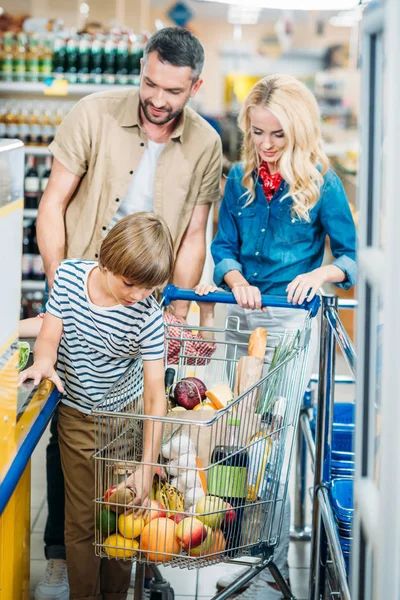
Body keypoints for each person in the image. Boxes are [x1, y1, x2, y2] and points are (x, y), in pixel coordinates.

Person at [34, 26, 222, 599]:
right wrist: (64, 290)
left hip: (147, 301)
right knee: (72, 452)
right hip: (90, 280)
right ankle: (67, 557)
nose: (157, 98)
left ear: (195, 86)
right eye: (149, 82)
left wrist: (176, 310)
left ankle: (117, 569)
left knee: (127, 464)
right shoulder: (92, 115)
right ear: (142, 68)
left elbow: (193, 236)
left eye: (173, 90)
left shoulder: (207, 144)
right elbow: (53, 203)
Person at [211, 74, 357, 599]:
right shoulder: (238, 180)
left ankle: (263, 544)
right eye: (258, 133)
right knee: (234, 434)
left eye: (278, 136)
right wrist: (234, 279)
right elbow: (222, 246)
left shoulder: (323, 183)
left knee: (271, 439)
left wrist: (320, 275)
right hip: (240, 320)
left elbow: (352, 259)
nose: (267, 147)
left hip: (292, 328)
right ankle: (237, 545)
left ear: (298, 132)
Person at [19, 213, 174, 600]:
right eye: (130, 283)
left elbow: (156, 397)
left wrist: (147, 465)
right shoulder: (70, 278)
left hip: (125, 420)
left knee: (122, 521)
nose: (138, 295)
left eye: (149, 288)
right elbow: (50, 333)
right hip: (76, 416)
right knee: (82, 521)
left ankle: (115, 595)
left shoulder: (149, 319)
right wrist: (43, 360)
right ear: (106, 261)